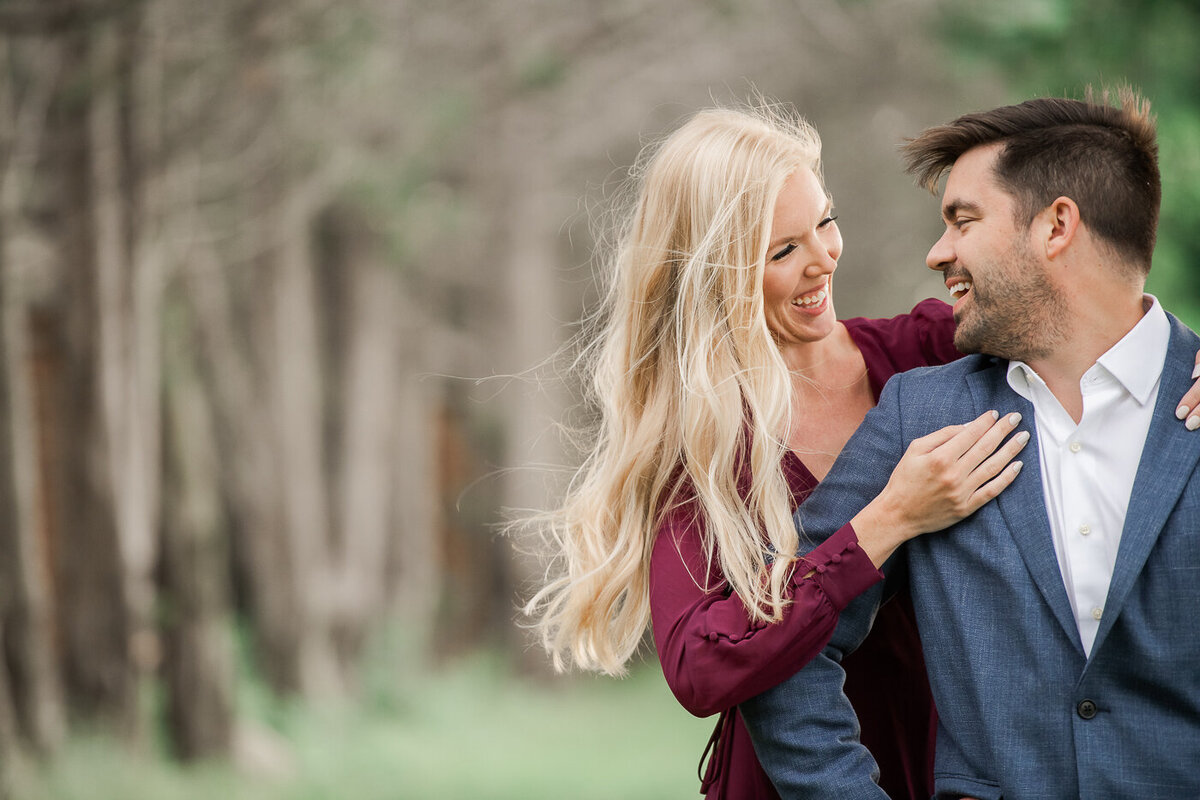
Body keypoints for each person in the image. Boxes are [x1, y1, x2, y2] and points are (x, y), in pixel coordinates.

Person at [521, 102, 1036, 800]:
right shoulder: (701, 446)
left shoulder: (923, 351)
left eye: (824, 222)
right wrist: (888, 520)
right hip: (793, 780)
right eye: (782, 251)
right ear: (717, 275)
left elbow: (1083, 334)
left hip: (956, 763)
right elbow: (699, 666)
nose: (823, 259)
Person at [740, 88, 1200, 799]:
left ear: (1056, 227)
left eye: (962, 221)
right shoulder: (920, 416)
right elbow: (790, 632)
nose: (937, 253)